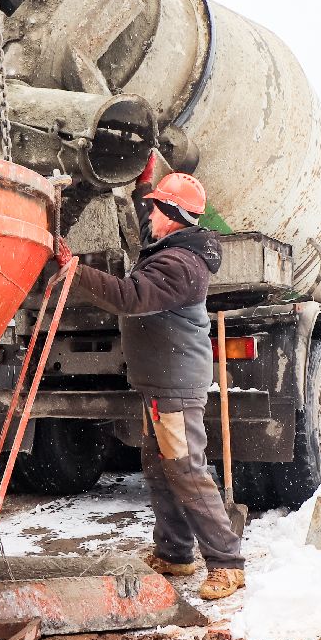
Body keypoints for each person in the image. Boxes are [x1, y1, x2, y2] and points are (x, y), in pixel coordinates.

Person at [64, 159, 245, 601]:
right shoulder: (170, 251)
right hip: (158, 383)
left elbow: (131, 297)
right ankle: (175, 552)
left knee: (185, 470)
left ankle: (227, 563)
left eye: (157, 207)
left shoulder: (181, 263)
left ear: (175, 214)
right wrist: (143, 178)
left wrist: (74, 270)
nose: (150, 214)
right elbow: (143, 231)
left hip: (175, 386)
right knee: (161, 468)